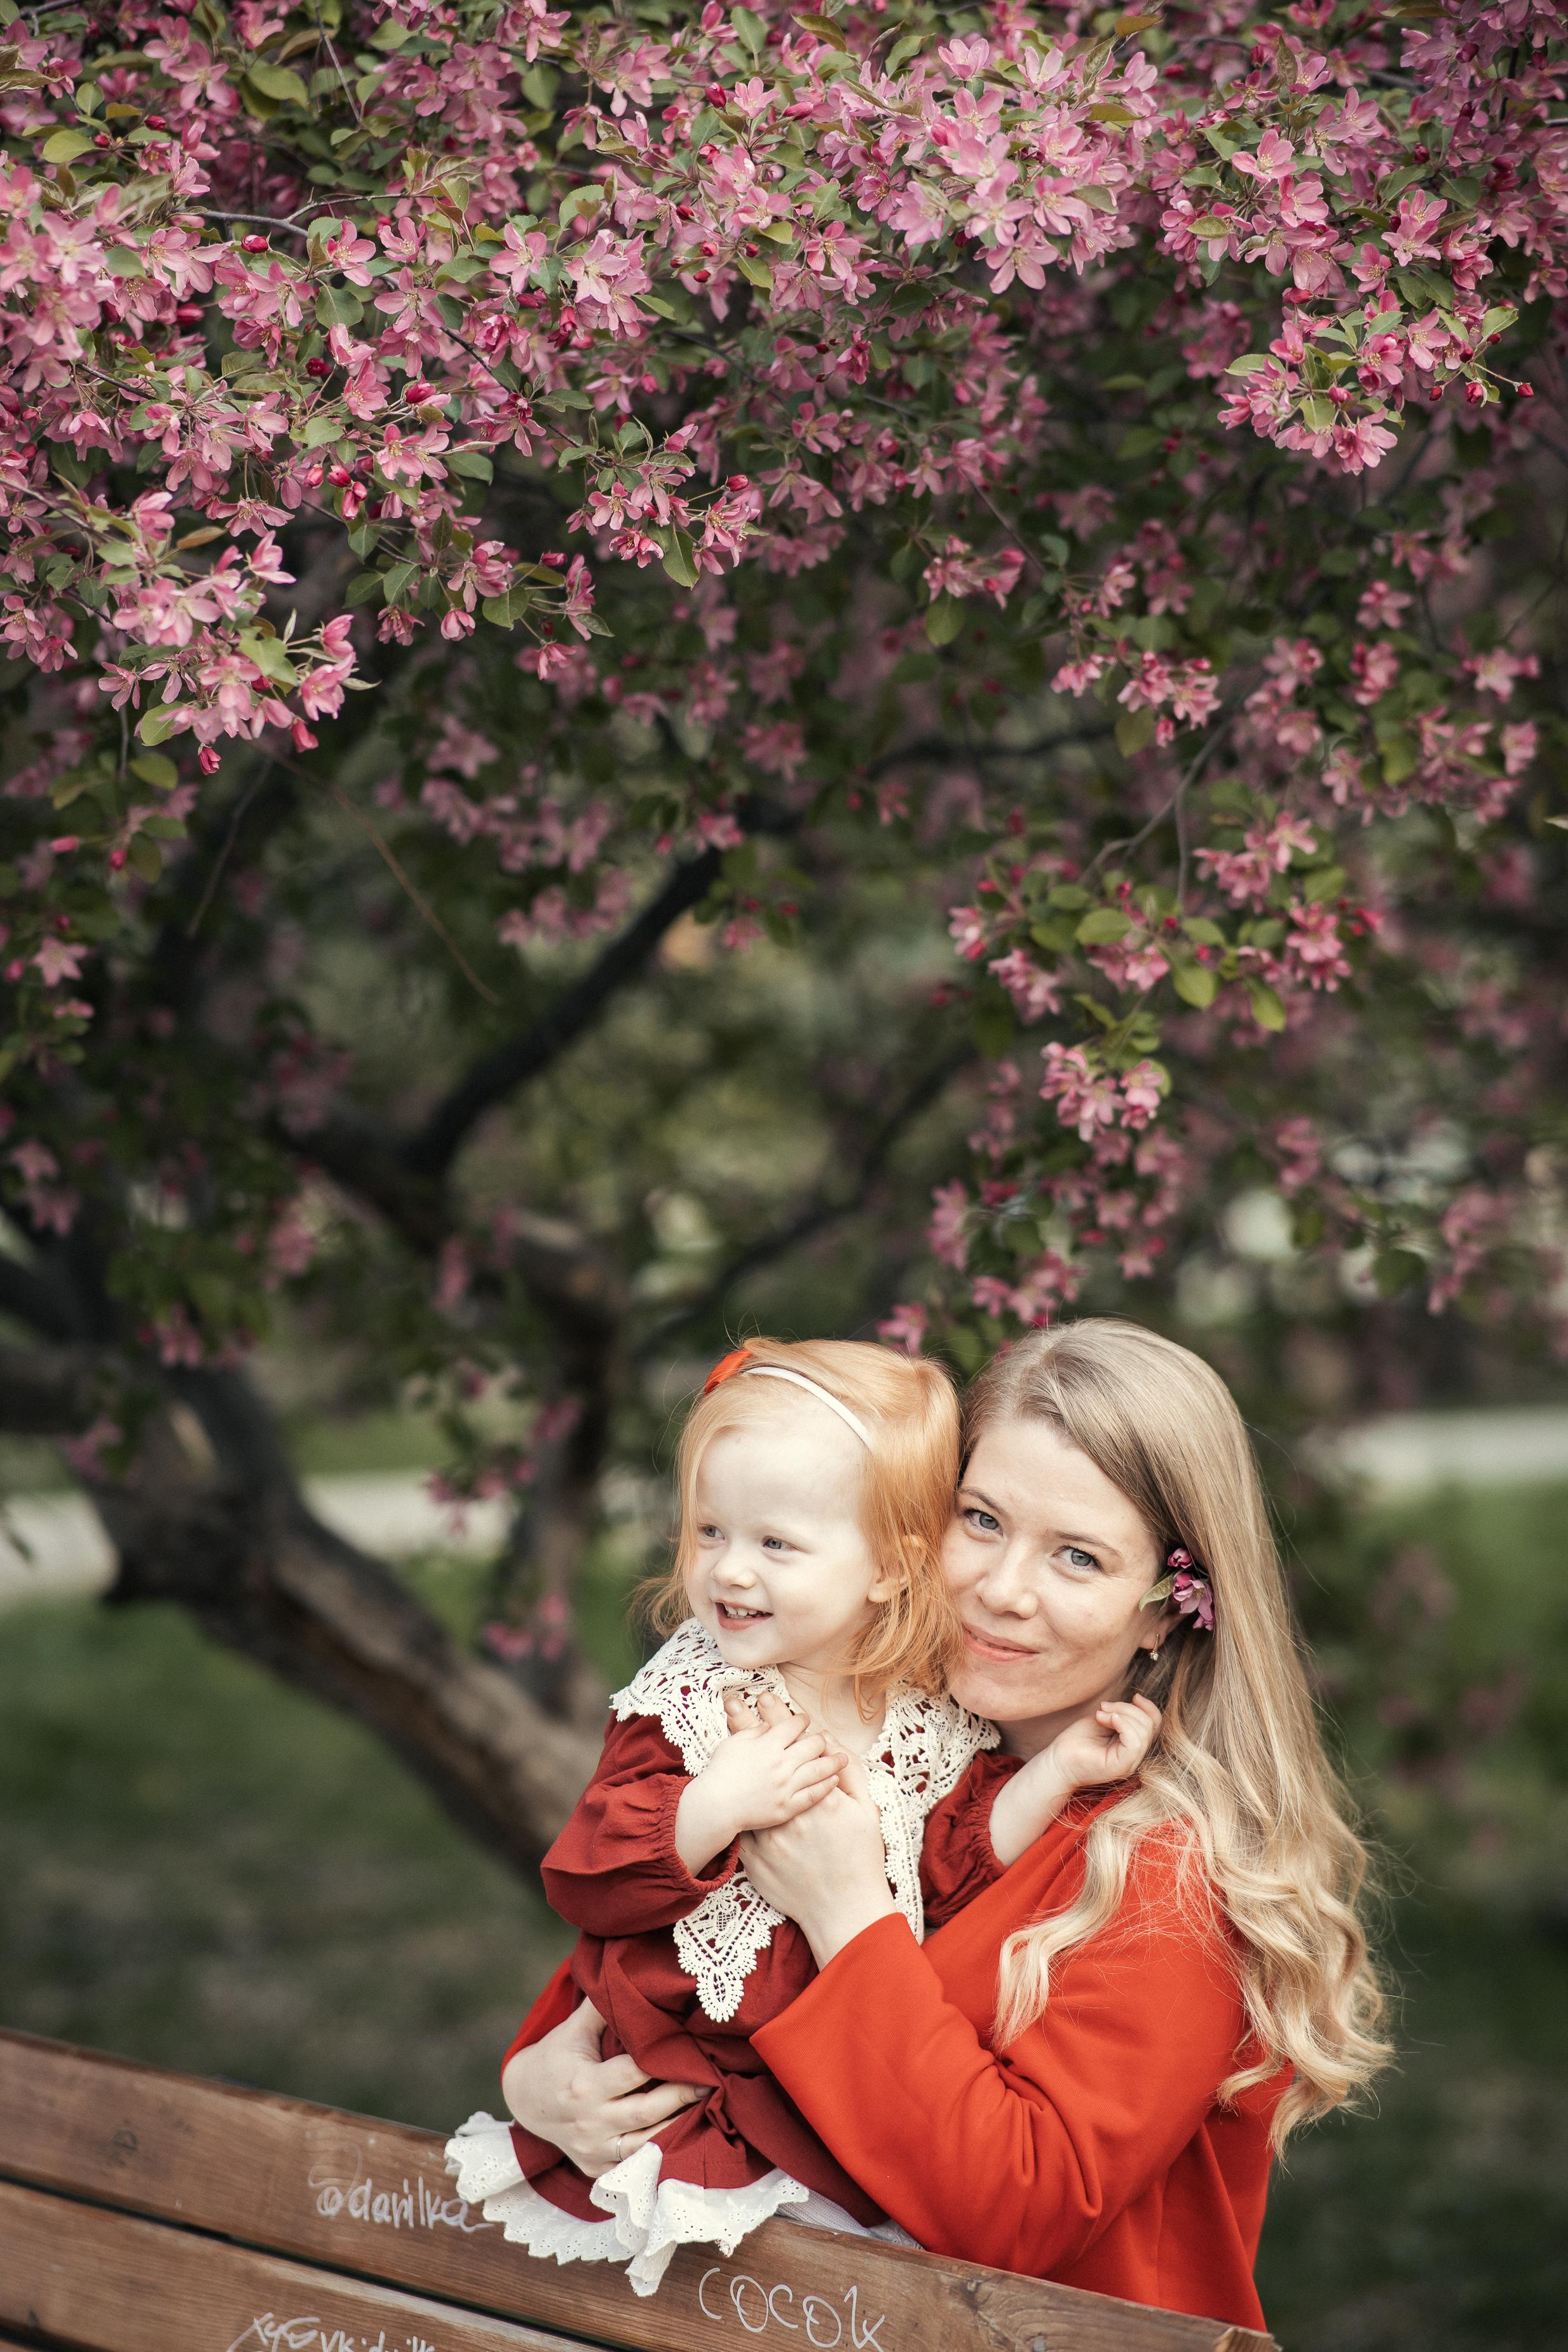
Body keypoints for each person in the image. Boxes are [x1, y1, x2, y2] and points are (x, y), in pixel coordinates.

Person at [497, 1320, 1392, 2334]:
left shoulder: (1170, 1872)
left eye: (1080, 1557)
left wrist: (848, 1912)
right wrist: (537, 2078)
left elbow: (1015, 2215)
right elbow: (678, 1968)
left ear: (1164, 1611)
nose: (1001, 1592)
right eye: (980, 1519)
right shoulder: (906, 1745)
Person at [447, 1337, 1157, 2295]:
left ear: (886, 1568)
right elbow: (592, 1881)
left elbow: (955, 1853)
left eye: (776, 1544)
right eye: (709, 1534)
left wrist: (1063, 1767)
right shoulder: (697, 1700)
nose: (732, 1574)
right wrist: (710, 1809)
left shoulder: (920, 1718)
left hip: (818, 2106)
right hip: (694, 2090)